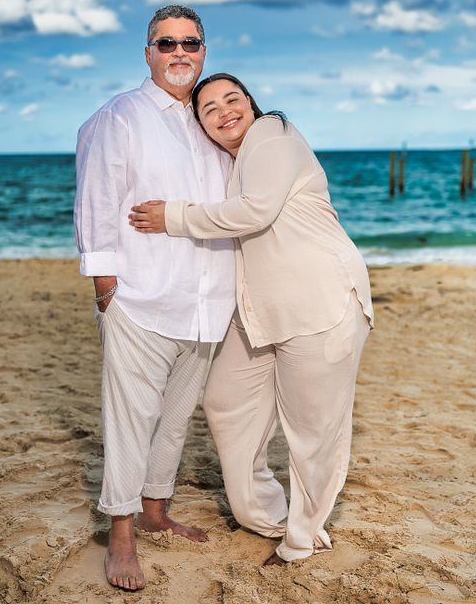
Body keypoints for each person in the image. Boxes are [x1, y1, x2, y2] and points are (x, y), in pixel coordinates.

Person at [128, 73, 374, 566]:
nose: (224, 111)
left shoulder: (272, 134)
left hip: (320, 302)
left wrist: (173, 217)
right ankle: (264, 513)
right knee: (225, 403)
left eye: (232, 99)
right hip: (259, 310)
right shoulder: (234, 160)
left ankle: (301, 540)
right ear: (202, 125)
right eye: (209, 109)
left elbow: (255, 212)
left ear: (251, 103)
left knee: (312, 432)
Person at [74, 11, 236, 590]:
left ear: (204, 50)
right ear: (148, 53)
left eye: (190, 43)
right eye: (167, 43)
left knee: (174, 419)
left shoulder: (209, 122)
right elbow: (96, 199)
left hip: (207, 301)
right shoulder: (121, 116)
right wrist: (105, 286)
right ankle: (121, 535)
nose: (179, 52)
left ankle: (155, 510)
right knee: (130, 419)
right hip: (140, 296)